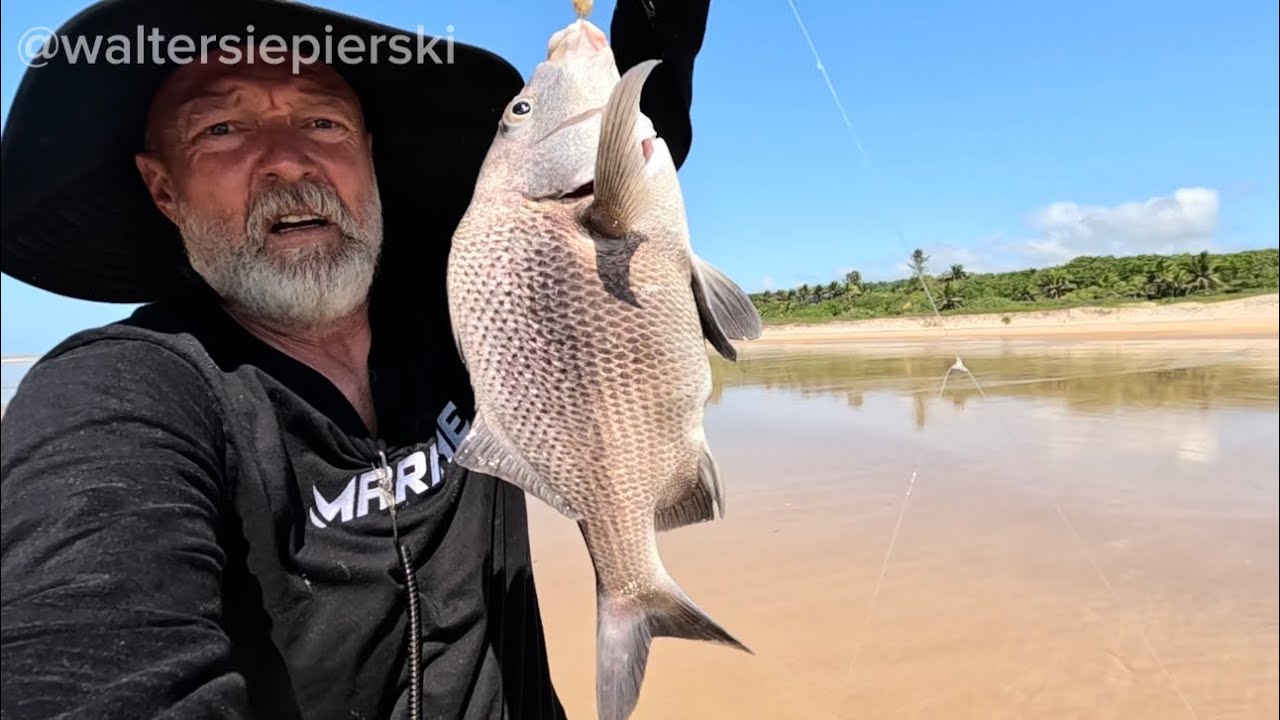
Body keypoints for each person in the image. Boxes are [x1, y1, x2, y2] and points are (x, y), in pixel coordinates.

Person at [0, 0, 711, 717]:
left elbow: (615, 198)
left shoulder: (475, 314)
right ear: (163, 187)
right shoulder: (120, 399)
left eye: (321, 122)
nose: (285, 159)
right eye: (221, 128)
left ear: (367, 153)